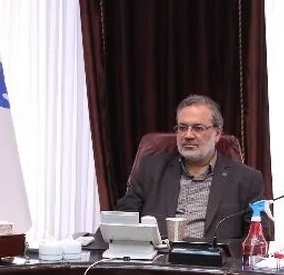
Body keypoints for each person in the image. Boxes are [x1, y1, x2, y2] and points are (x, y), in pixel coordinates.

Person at [117, 94, 273, 244]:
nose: (188, 135)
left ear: (217, 133)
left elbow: (259, 236)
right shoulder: (151, 170)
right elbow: (121, 221)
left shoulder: (247, 179)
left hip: (213, 260)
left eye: (198, 128)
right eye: (182, 127)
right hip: (159, 258)